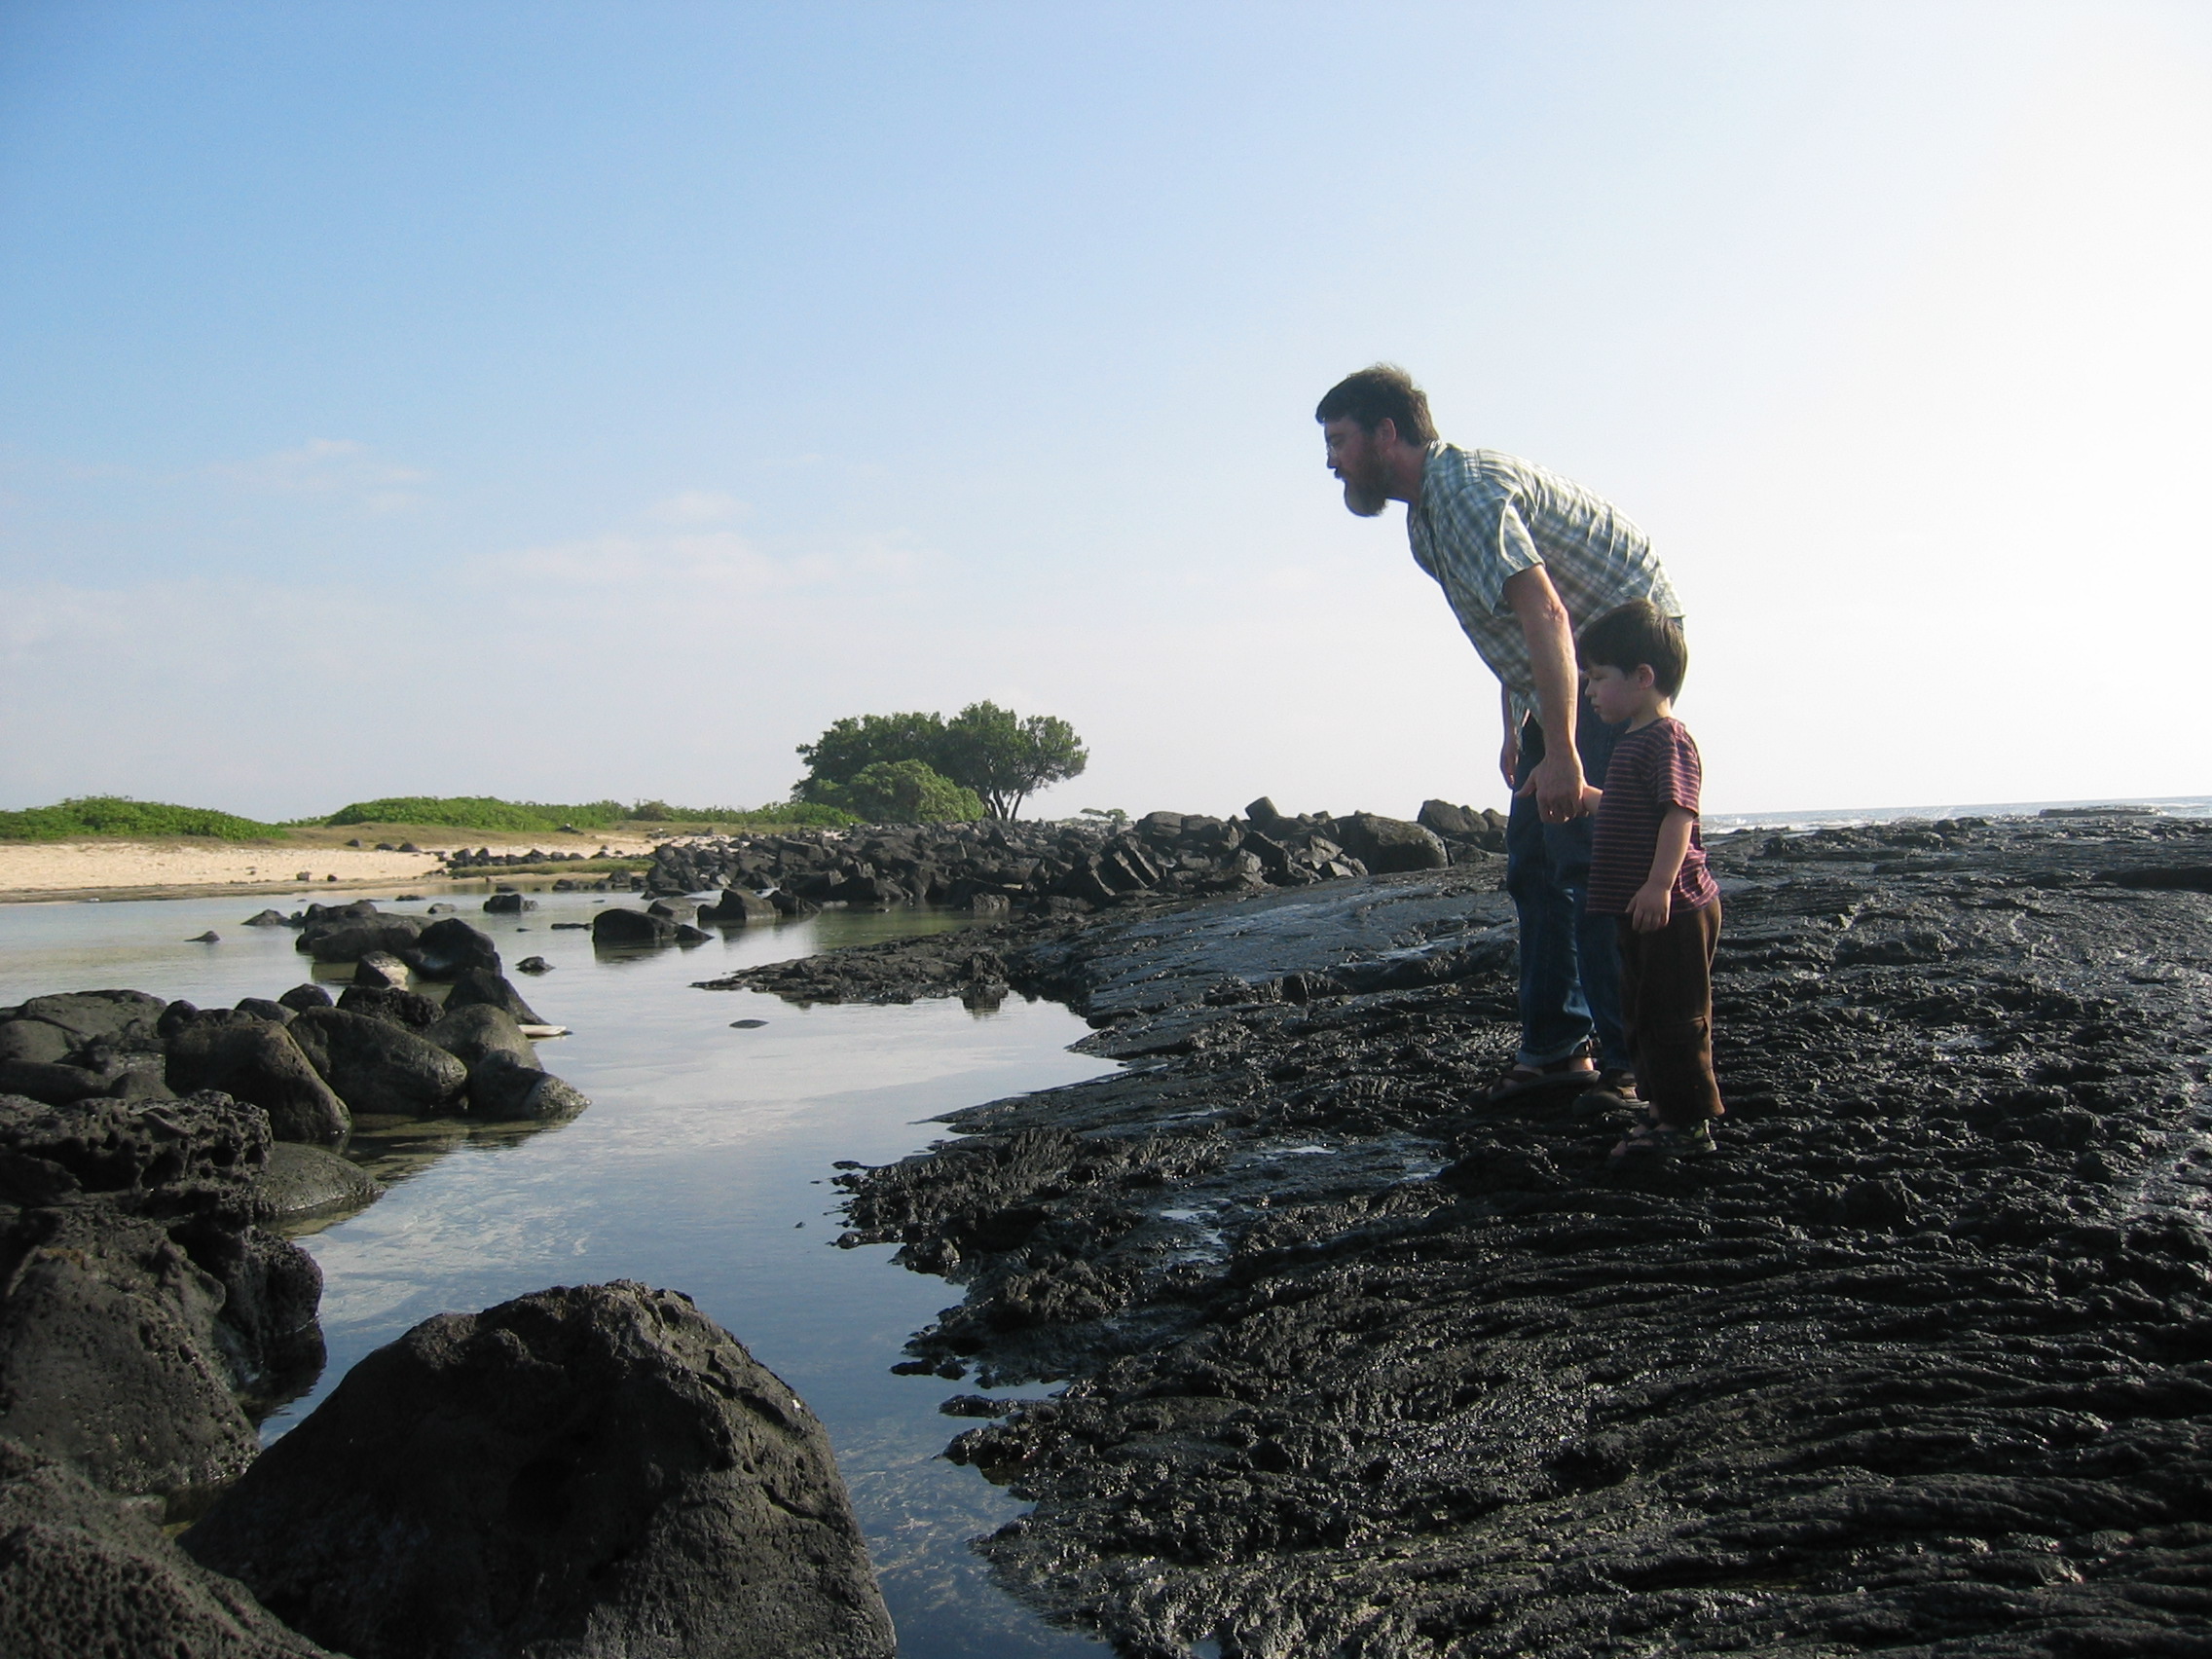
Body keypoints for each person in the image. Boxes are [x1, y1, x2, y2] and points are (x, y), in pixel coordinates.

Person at [1316, 364, 1684, 1100]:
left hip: (1624, 661)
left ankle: (1630, 1065)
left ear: (1387, 433)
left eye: (1339, 441)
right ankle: (1555, 1050)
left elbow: (1547, 612)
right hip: (1562, 673)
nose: (1331, 463)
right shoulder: (1425, 521)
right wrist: (1519, 724)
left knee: (1593, 864)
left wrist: (1566, 750)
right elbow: (1512, 624)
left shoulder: (1462, 492)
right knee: (1533, 866)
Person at [1576, 600, 1724, 1160]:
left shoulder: (1667, 739)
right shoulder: (1632, 740)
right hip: (1640, 908)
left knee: (1676, 1018)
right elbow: (1628, 808)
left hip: (1674, 906)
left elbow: (1678, 815)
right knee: (1641, 1012)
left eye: (1598, 678)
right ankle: (1662, 1109)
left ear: (1642, 677)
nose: (1589, 690)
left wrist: (1660, 884)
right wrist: (1584, 797)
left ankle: (1688, 1126)